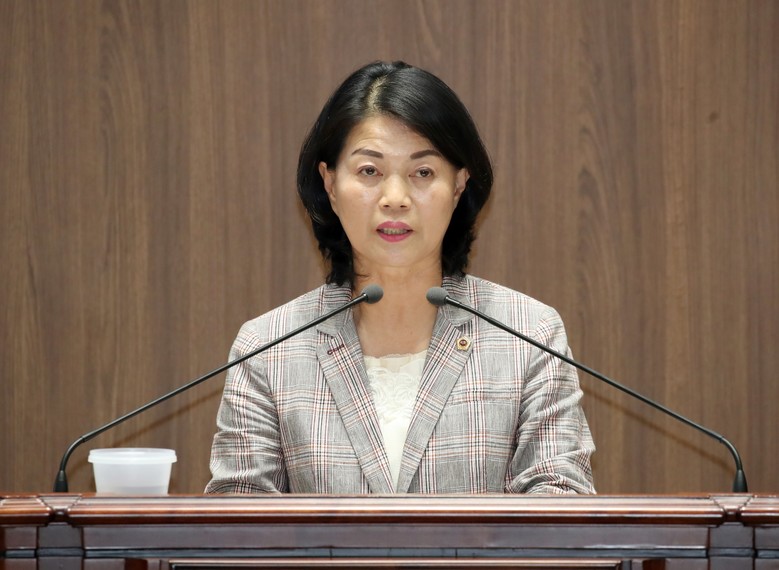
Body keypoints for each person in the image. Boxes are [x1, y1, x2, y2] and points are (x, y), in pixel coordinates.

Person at [205, 61, 595, 494]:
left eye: (422, 173)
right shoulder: (268, 350)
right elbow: (237, 519)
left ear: (459, 185)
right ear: (330, 184)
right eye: (369, 171)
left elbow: (562, 506)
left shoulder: (528, 336)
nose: (395, 198)